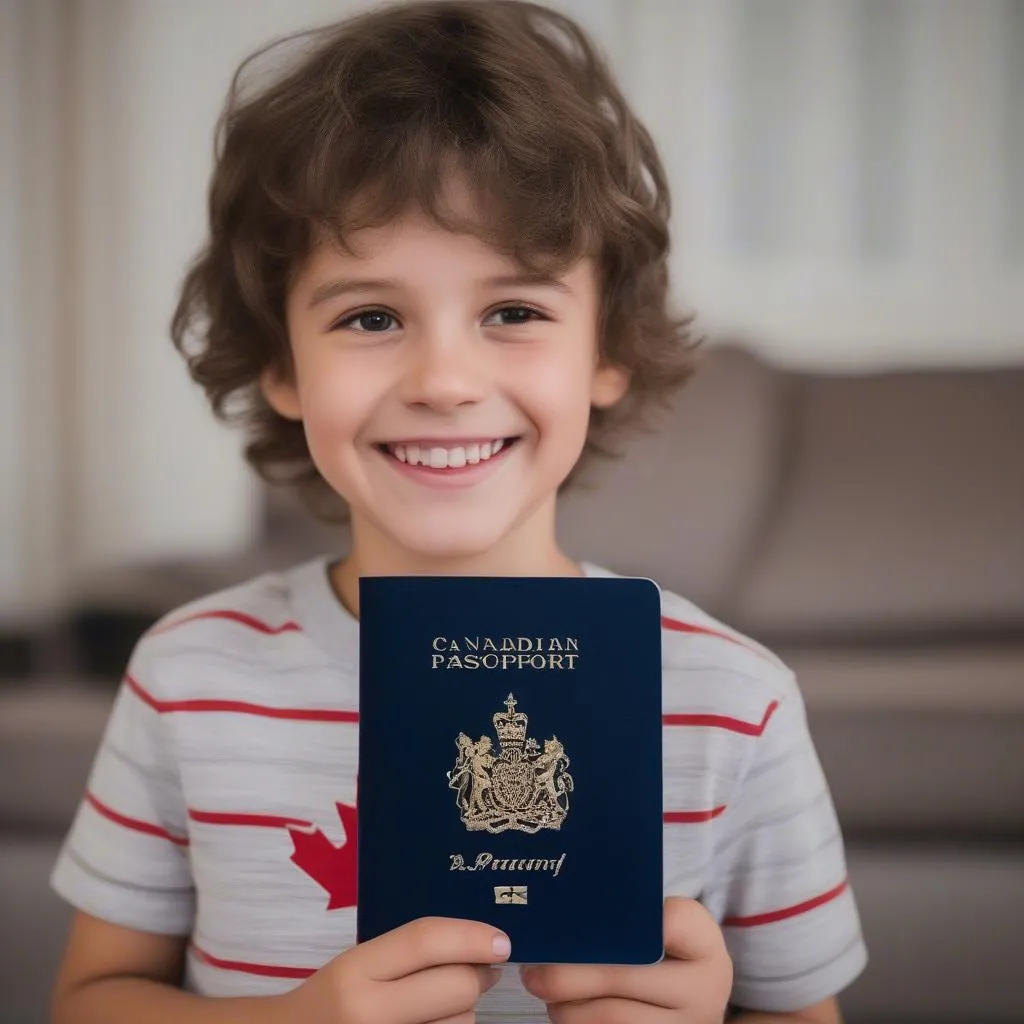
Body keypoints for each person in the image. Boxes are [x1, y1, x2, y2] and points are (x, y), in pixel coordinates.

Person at [49, 2, 867, 1022]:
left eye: (513, 312)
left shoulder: (731, 698)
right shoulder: (188, 674)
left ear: (604, 351)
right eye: (371, 316)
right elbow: (91, 998)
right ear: (280, 363)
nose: (443, 378)